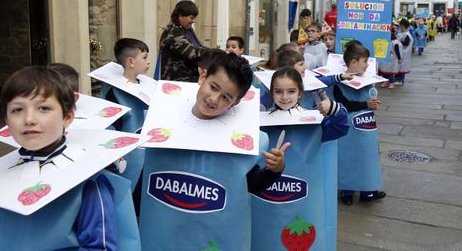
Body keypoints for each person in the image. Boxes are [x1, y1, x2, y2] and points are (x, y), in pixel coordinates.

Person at [138, 53, 290, 250]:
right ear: (202, 77)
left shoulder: (245, 140)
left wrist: (274, 170)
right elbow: (146, 175)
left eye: (226, 97)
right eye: (213, 87)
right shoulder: (160, 122)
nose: (214, 99)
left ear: (236, 103)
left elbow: (251, 184)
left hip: (211, 235)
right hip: (164, 232)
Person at [0, 66, 140, 250]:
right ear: (7, 122)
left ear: (67, 117)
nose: (29, 119)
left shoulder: (89, 183)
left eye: (43, 108)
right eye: (17, 110)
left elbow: (99, 246)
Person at [251, 67, 348, 251]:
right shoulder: (259, 122)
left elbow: (341, 127)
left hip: (302, 206)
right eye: (278, 91)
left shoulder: (313, 121)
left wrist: (333, 109)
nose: (284, 97)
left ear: (300, 92)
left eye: (291, 91)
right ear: (271, 93)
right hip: (264, 204)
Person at [99, 38, 150, 212]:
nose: (148, 61)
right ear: (130, 62)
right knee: (125, 200)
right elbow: (108, 126)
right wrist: (115, 155)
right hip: (128, 158)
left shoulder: (147, 86)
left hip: (146, 155)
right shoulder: (113, 92)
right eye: (144, 57)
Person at [333, 41, 385, 206]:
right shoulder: (339, 81)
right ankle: (347, 191)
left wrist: (373, 103)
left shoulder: (368, 79)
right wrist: (365, 105)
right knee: (348, 158)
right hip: (349, 128)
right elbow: (343, 103)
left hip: (366, 127)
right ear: (353, 62)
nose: (367, 64)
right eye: (364, 61)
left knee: (367, 158)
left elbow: (369, 97)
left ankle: (367, 190)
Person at [159, 0, 205, 82]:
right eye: (191, 17)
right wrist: (215, 53)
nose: (194, 21)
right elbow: (192, 53)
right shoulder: (173, 33)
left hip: (190, 77)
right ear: (180, 16)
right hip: (177, 80)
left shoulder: (187, 29)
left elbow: (198, 46)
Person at [396, 19, 413, 86]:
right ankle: (398, 79)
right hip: (401, 53)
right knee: (399, 67)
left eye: (400, 25)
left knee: (402, 67)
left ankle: (400, 80)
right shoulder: (402, 34)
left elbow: (405, 44)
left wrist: (398, 41)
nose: (399, 27)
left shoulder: (407, 35)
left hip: (404, 53)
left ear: (402, 26)